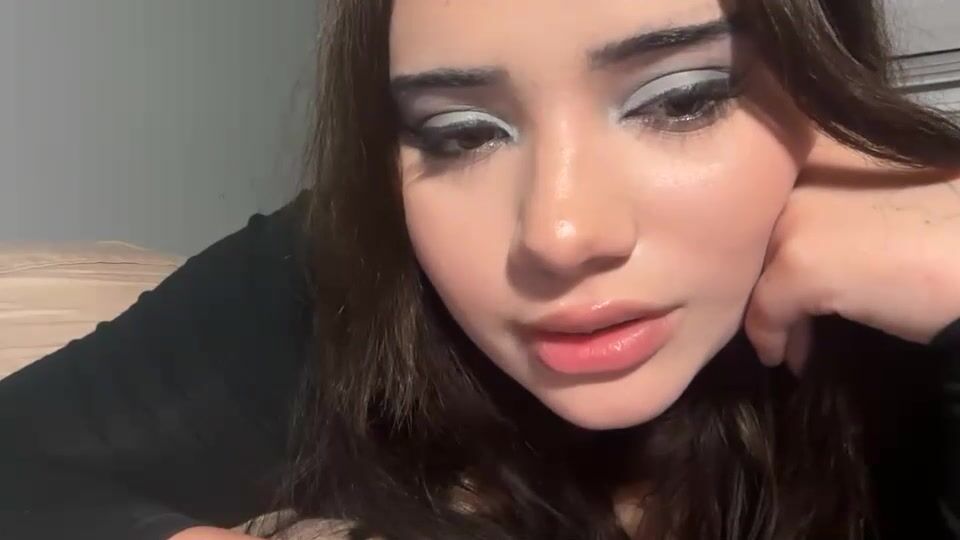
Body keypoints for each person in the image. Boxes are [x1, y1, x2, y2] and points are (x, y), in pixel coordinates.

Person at [3, 0, 960, 538]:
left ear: (831, 91)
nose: (559, 231)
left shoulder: (918, 330)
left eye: (680, 100)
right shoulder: (351, 270)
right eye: (462, 132)